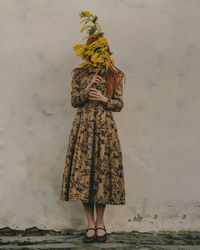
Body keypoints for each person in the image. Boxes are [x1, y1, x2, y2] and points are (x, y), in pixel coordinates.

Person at [60, 13, 126, 243]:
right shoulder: (78, 74)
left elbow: (119, 104)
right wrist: (87, 87)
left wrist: (104, 99)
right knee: (83, 176)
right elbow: (74, 101)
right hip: (84, 129)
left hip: (105, 129)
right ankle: (89, 224)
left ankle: (101, 223)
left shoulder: (113, 75)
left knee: (102, 176)